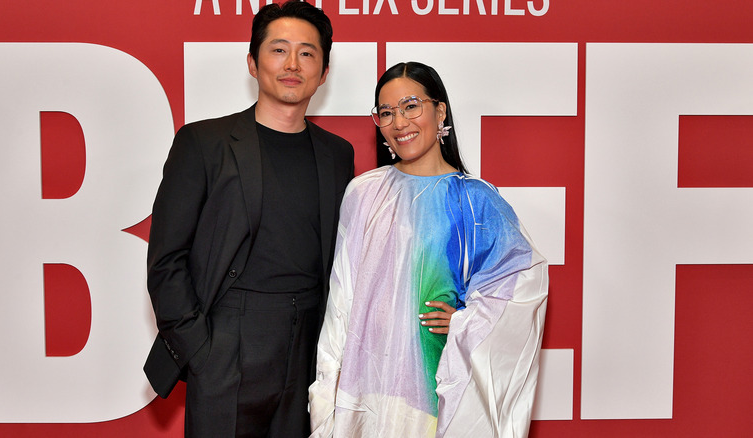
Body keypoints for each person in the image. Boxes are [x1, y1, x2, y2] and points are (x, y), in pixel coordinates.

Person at [143, 1, 355, 436]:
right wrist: (201, 352)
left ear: (324, 71)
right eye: (279, 50)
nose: (292, 64)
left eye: (308, 53)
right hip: (228, 341)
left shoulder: (338, 155)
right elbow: (167, 258)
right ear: (253, 63)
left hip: (310, 348)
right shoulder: (204, 143)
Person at [308, 61, 548, 438]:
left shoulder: (475, 201)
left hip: (434, 395)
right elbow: (341, 301)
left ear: (440, 111)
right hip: (363, 395)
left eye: (410, 106)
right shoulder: (362, 193)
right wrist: (328, 385)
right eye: (386, 112)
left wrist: (467, 322)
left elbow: (523, 287)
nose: (399, 122)